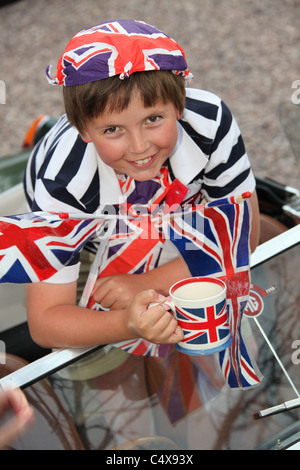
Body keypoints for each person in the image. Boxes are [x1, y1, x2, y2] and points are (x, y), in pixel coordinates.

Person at [24, 20, 260, 350]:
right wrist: (126, 323)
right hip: (92, 233)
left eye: (152, 119)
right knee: (99, 368)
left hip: (177, 216)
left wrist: (150, 282)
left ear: (179, 105)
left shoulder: (210, 120)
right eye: (112, 130)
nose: (139, 147)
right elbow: (46, 321)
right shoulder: (64, 180)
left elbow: (245, 232)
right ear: (83, 130)